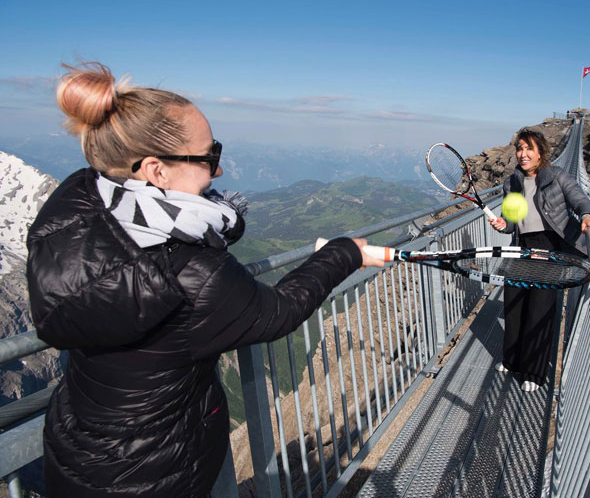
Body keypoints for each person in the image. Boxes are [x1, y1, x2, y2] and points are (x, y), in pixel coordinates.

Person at [26, 62, 385, 497]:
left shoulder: (82, 217)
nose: (218, 172)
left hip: (79, 456)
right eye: (210, 156)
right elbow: (278, 312)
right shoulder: (190, 271)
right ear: (157, 171)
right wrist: (346, 252)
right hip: (155, 473)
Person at [490, 127, 590, 392]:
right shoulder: (511, 182)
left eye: (529, 149)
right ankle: (512, 360)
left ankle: (534, 373)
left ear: (540, 153)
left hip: (549, 247)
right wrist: (503, 224)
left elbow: (580, 200)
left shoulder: (557, 176)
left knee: (540, 308)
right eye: (520, 148)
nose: (523, 154)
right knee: (514, 304)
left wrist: (587, 216)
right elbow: (513, 221)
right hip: (522, 247)